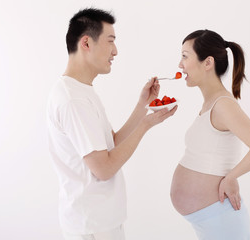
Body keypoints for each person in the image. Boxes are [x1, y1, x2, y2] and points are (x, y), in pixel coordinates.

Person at [47, 8, 177, 240]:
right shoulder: (73, 99)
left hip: (101, 221)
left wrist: (142, 106)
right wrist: (146, 125)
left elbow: (111, 143)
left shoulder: (81, 91)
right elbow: (104, 169)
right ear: (86, 43)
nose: (115, 51)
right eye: (110, 41)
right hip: (92, 226)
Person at [170, 29, 250, 240]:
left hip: (221, 222)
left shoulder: (223, 105)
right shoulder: (210, 104)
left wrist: (231, 177)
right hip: (211, 220)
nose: (180, 64)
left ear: (207, 63)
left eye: (185, 56)